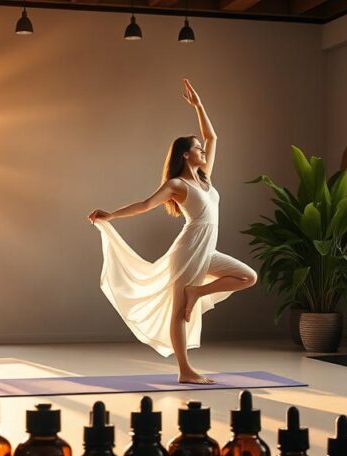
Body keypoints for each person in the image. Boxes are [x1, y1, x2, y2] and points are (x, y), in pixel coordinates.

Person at [87, 79, 257, 384]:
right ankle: (185, 371)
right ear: (184, 155)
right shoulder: (178, 185)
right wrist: (111, 214)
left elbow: (213, 136)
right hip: (190, 249)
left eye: (202, 149)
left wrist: (199, 106)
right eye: (197, 149)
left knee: (248, 277)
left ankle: (197, 292)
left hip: (208, 250)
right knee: (179, 311)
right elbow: (145, 204)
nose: (203, 151)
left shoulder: (205, 178)